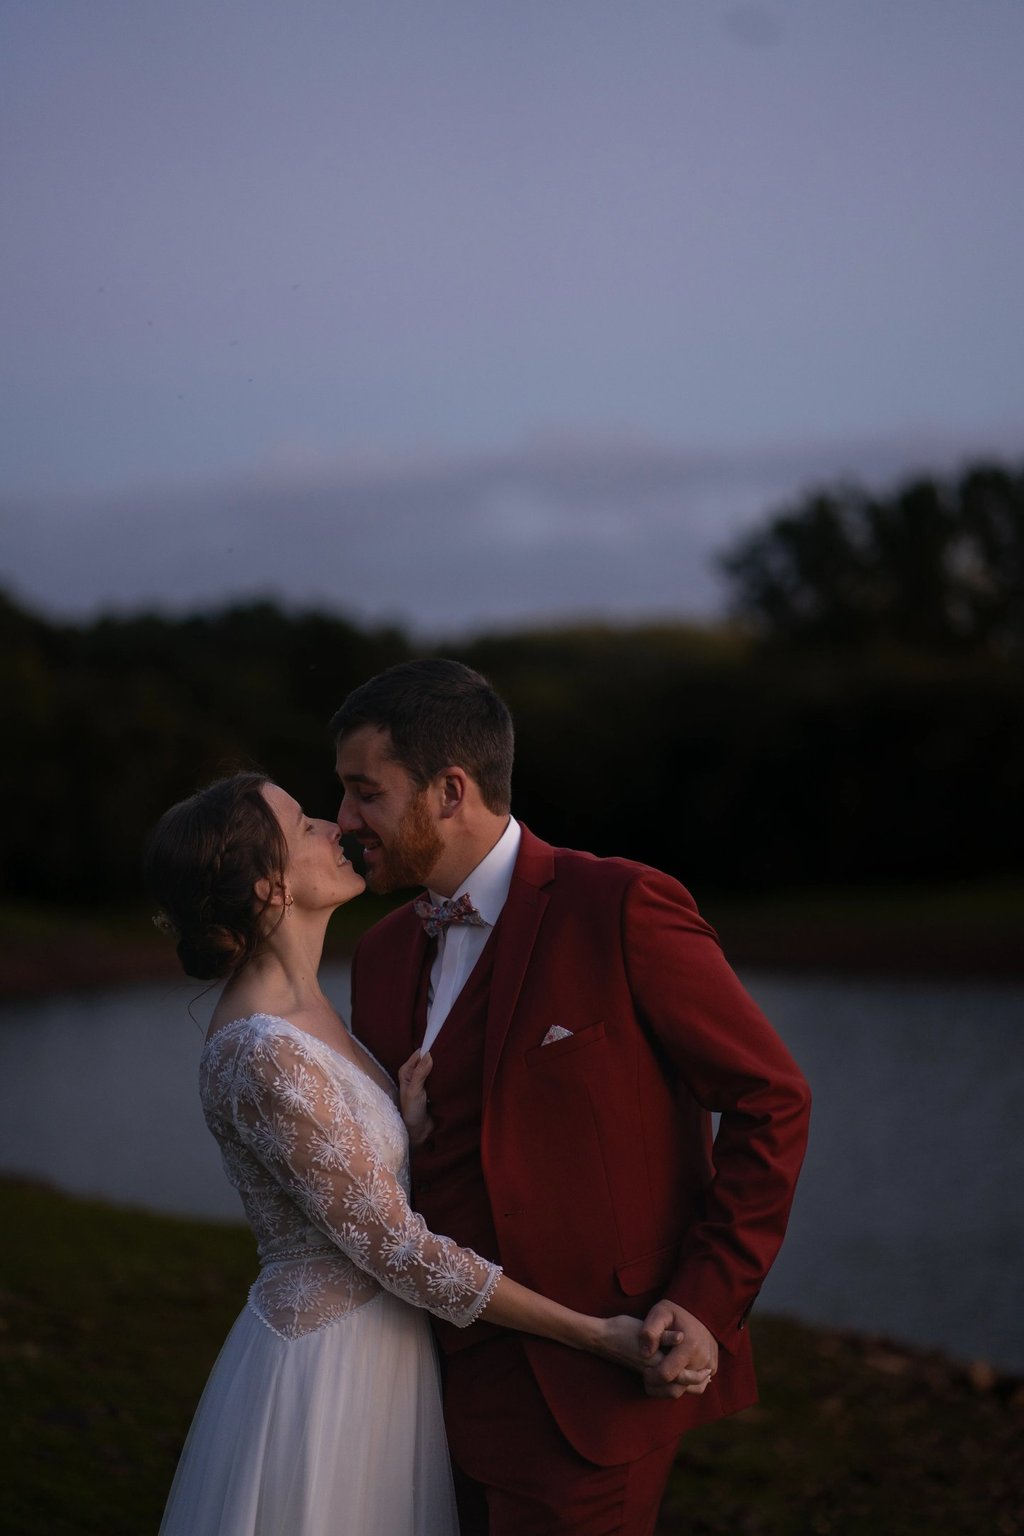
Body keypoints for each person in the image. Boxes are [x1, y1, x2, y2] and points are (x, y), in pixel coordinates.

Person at [332, 659, 812, 1536]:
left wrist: (706, 1301)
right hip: (417, 1387)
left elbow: (769, 1099)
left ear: (449, 790)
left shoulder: (621, 906)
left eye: (367, 793)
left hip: (596, 1380)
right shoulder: (381, 954)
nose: (344, 822)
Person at [145, 772, 683, 1536]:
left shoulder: (310, 1010)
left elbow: (347, 1187)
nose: (336, 828)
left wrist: (406, 1130)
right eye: (304, 828)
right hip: (332, 1369)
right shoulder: (262, 1049)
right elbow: (398, 1250)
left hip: (389, 1352)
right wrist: (594, 1334)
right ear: (269, 890)